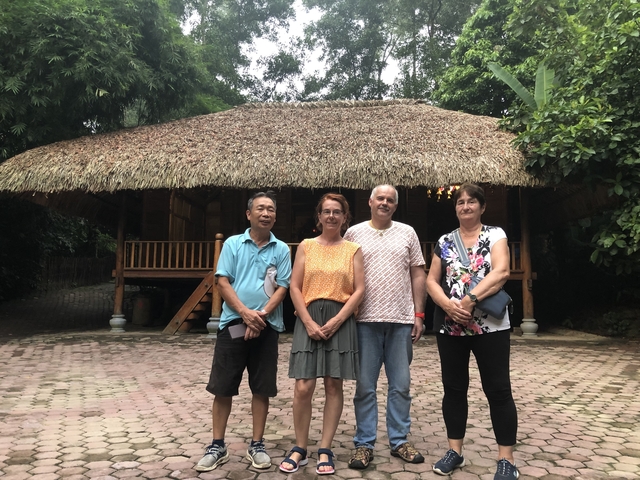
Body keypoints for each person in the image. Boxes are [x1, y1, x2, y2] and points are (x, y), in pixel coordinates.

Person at [425, 183, 519, 480]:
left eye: (471, 202)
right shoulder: (444, 240)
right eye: (460, 203)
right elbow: (431, 280)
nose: (465, 207)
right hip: (451, 326)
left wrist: (467, 300)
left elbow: (502, 271)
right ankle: (455, 450)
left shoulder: (495, 235)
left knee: (498, 390)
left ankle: (506, 459)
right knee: (453, 389)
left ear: (481, 206)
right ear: (455, 208)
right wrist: (448, 307)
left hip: (490, 325)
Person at [195, 191, 292, 472]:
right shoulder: (233, 244)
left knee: (262, 388)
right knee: (223, 386)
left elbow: (283, 287)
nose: (266, 213)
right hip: (234, 324)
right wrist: (245, 315)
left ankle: (257, 443)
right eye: (260, 208)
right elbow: (223, 282)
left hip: (267, 326)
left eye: (271, 209)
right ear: (248, 214)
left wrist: (259, 317)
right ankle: (217, 444)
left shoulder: (282, 249)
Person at [279, 193, 365, 475]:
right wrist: (306, 321)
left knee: (333, 384)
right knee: (303, 386)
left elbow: (360, 289)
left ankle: (325, 447)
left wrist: (339, 320)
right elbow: (294, 286)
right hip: (308, 317)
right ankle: (300, 447)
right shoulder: (306, 246)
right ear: (319, 216)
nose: (331, 216)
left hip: (340, 319)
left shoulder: (353, 249)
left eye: (337, 212)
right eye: (326, 211)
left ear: (344, 217)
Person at [343, 184, 427, 469]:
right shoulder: (353, 233)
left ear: (395, 205)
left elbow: (418, 273)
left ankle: (399, 440)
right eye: (380, 198)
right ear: (370, 201)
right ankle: (364, 444)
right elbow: (344, 274)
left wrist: (419, 314)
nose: (385, 203)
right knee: (365, 387)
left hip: (401, 320)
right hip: (364, 321)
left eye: (390, 200)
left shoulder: (407, 232)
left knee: (400, 386)